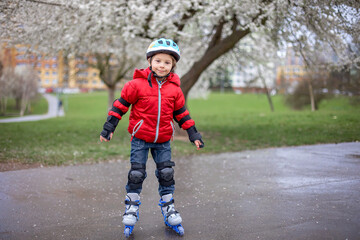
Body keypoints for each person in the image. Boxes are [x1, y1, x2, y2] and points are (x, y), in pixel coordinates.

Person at [99, 38, 204, 236]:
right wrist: (109, 126)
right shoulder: (136, 85)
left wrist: (193, 133)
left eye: (167, 62)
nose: (162, 65)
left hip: (163, 140)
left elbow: (182, 114)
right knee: (136, 174)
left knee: (166, 174)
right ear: (149, 61)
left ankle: (168, 208)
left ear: (172, 65)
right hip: (140, 138)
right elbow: (120, 106)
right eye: (158, 60)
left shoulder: (175, 89)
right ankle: (131, 206)